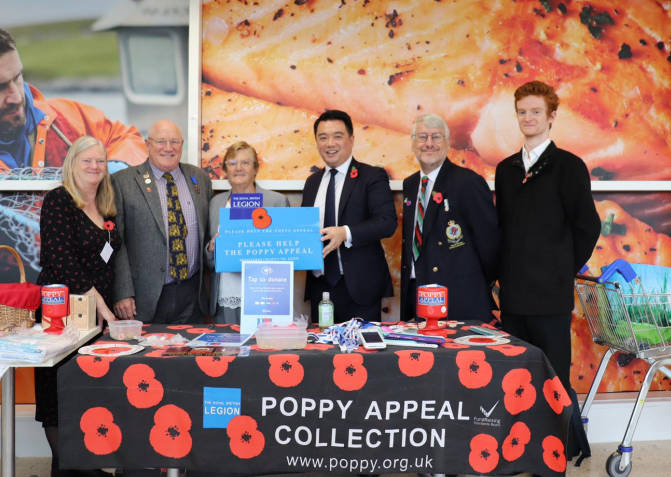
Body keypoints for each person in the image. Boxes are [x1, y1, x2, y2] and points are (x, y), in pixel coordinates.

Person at [0, 22, 146, 285]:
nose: (16, 97)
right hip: (0, 303)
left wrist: (120, 166)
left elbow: (126, 138)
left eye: (17, 77)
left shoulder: (68, 119)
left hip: (86, 285)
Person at [495, 81, 601, 476]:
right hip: (513, 296)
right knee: (517, 380)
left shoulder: (569, 166)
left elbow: (586, 227)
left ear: (552, 116)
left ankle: (556, 457)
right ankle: (523, 452)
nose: (528, 118)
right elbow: (502, 229)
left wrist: (560, 270)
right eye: (522, 111)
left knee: (554, 378)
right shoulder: (505, 169)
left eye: (535, 111)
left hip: (550, 296)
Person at [35, 136, 119, 477]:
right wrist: (104, 308)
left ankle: (76, 467)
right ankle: (67, 466)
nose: (95, 167)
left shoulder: (105, 203)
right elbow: (63, 261)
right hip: (63, 312)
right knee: (57, 388)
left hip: (96, 315)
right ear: (72, 162)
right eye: (87, 161)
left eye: (101, 161)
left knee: (86, 388)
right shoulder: (59, 201)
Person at [400, 114, 500, 323]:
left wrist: (472, 284)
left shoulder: (468, 182)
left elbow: (490, 245)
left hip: (458, 301)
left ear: (447, 142)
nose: (429, 144)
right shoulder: (410, 185)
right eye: (422, 137)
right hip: (418, 298)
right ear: (412, 143)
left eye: (436, 137)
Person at [112, 120, 213, 324]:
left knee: (190, 355)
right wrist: (122, 292)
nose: (168, 147)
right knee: (146, 355)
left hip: (192, 295)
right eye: (161, 141)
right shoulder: (123, 182)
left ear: (182, 144)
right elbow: (117, 243)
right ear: (148, 144)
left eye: (174, 141)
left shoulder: (200, 178)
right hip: (144, 297)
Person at [302, 110, 397, 323]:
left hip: (359, 289)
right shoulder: (312, 182)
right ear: (316, 142)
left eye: (337, 136)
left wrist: (345, 233)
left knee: (361, 355)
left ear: (351, 140)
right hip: (320, 287)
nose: (330, 143)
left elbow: (387, 222)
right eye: (323, 137)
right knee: (321, 353)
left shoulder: (371, 176)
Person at [205, 141, 290, 323]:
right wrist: (212, 247)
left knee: (263, 350)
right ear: (225, 170)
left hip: (266, 294)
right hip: (226, 295)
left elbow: (286, 251)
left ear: (256, 168)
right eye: (232, 163)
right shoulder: (215, 204)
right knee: (229, 349)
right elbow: (207, 260)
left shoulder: (276, 201)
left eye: (245, 163)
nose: (239, 168)